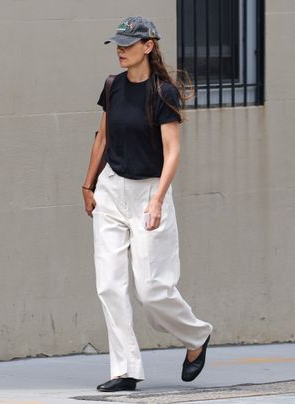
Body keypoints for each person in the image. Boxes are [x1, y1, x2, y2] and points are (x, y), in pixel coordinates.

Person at [82, 16, 213, 393]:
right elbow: (102, 138)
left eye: (127, 43)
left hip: (148, 192)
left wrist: (157, 201)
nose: (120, 49)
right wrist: (88, 184)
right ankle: (126, 369)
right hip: (111, 190)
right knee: (109, 285)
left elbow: (172, 153)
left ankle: (197, 336)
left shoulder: (163, 93)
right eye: (117, 44)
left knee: (153, 290)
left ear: (148, 46)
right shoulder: (113, 87)